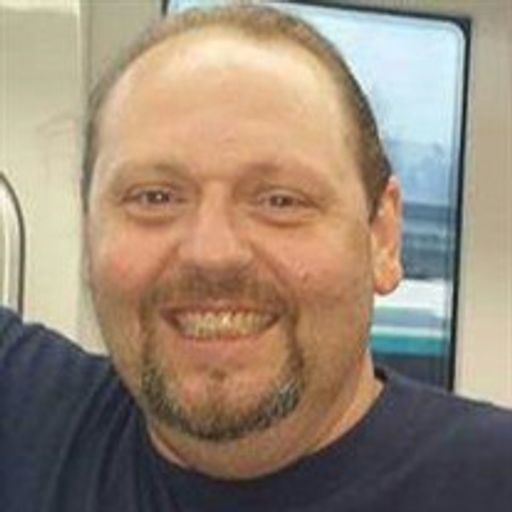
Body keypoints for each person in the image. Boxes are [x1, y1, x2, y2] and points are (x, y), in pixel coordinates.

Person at [1, 4, 511, 511]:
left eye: (281, 201)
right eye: (154, 197)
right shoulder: (24, 418)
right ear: (89, 230)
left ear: (382, 237)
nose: (212, 254)